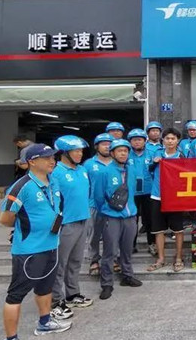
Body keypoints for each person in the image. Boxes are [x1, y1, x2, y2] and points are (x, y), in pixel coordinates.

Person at [0, 144, 71, 340]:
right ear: (32, 161)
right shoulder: (22, 186)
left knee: (45, 287)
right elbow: (5, 218)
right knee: (15, 295)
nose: (52, 161)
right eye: (46, 158)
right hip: (29, 250)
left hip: (51, 245)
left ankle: (45, 322)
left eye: (53, 157)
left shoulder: (53, 181)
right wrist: (26, 227)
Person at [50, 136, 92, 322]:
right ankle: (55, 300)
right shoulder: (56, 172)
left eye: (81, 151)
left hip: (83, 219)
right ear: (64, 153)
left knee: (76, 261)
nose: (80, 154)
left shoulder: (82, 170)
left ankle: (72, 294)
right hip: (65, 223)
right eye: (76, 151)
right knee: (60, 263)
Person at [94, 139, 142, 300]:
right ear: (112, 153)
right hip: (112, 217)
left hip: (130, 216)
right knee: (110, 251)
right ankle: (107, 283)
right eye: (119, 151)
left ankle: (127, 275)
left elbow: (134, 191)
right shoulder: (105, 172)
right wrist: (107, 211)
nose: (123, 154)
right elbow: (98, 196)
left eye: (125, 151)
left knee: (127, 249)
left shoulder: (131, 170)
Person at [147, 128, 186, 273]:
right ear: (163, 140)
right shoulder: (157, 154)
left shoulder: (181, 156)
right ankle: (161, 259)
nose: (170, 141)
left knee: (178, 229)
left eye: (173, 138)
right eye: (167, 138)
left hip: (175, 198)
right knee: (158, 230)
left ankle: (179, 258)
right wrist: (154, 162)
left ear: (178, 141)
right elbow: (149, 170)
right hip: (157, 196)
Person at [83, 133, 113, 276]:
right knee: (93, 234)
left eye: (109, 144)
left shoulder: (118, 162)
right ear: (96, 146)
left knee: (112, 235)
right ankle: (94, 260)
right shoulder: (88, 164)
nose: (107, 146)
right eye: (104, 144)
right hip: (93, 204)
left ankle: (113, 259)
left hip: (113, 206)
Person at [127, 129, 155, 256]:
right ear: (130, 142)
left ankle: (151, 244)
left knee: (150, 219)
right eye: (134, 140)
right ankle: (131, 245)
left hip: (149, 190)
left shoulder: (152, 154)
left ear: (145, 141)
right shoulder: (126, 154)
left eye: (140, 139)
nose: (137, 142)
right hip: (132, 192)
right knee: (132, 220)